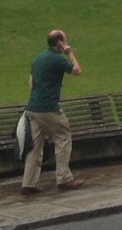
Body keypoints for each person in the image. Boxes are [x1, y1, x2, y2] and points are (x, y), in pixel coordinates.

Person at [21, 29, 85, 194]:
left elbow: (31, 82)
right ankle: (64, 179)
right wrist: (69, 53)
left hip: (32, 108)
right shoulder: (58, 58)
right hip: (49, 108)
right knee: (63, 137)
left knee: (34, 147)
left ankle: (28, 183)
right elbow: (77, 70)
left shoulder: (38, 58)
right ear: (60, 43)